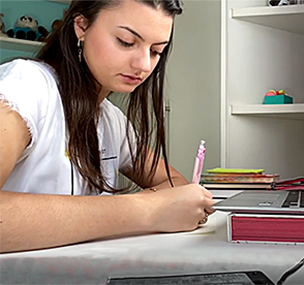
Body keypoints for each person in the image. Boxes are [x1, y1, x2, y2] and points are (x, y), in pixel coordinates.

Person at [0, 0, 215, 254]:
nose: (144, 65)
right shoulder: (26, 86)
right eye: (126, 41)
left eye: (156, 51)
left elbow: (175, 182)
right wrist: (146, 210)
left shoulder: (111, 119)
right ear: (81, 27)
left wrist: (165, 205)